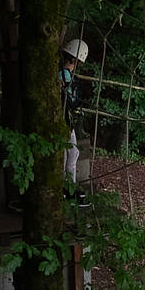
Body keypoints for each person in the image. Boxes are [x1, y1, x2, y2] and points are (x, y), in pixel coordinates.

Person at [60, 38, 91, 203]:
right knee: (69, 153)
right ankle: (67, 187)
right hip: (64, 119)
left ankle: (68, 186)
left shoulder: (67, 75)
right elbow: (71, 100)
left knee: (72, 153)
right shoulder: (65, 75)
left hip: (67, 119)